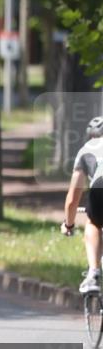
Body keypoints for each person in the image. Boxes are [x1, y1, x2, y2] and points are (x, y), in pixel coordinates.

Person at [61, 116, 103, 294]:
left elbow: (72, 199)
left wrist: (68, 224)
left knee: (93, 222)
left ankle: (93, 273)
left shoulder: (87, 149)